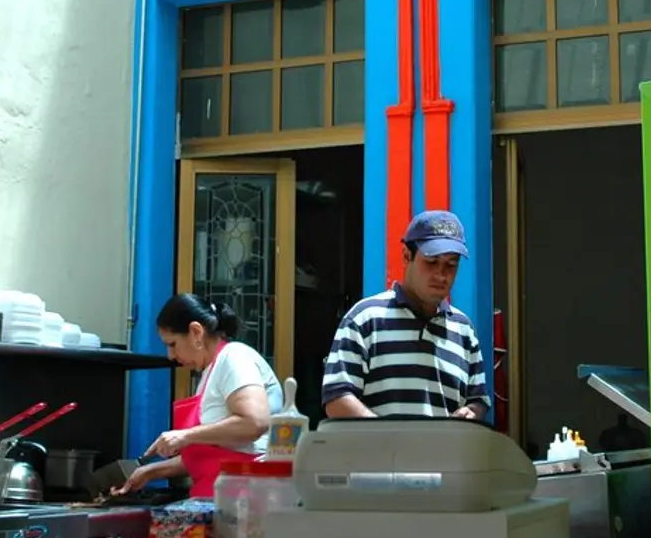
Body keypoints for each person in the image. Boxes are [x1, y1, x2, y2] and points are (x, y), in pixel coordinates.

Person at [322, 210, 489, 419]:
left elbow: (478, 400)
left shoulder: (464, 330)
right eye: (431, 262)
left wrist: (471, 413)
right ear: (407, 255)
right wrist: (391, 435)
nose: (441, 275)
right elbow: (337, 398)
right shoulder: (365, 319)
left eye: (451, 265)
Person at [117, 294, 283, 498]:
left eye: (172, 344)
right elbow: (209, 455)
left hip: (247, 498)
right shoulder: (210, 372)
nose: (170, 355)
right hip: (218, 497)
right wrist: (150, 471)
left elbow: (254, 422)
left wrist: (184, 436)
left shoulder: (234, 358)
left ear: (196, 332)